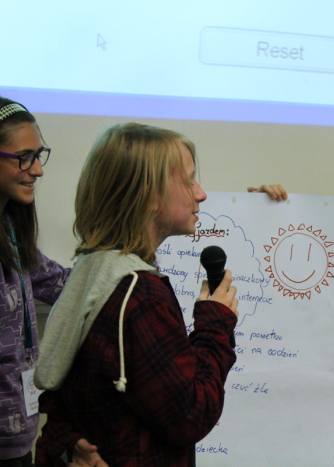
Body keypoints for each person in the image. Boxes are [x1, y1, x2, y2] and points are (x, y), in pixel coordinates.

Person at [33, 123, 239, 466]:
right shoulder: (141, 295)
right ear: (149, 195)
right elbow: (191, 414)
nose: (201, 193)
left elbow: (67, 395)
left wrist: (67, 441)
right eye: (189, 181)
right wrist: (215, 325)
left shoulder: (92, 269)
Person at [0, 97, 70, 466]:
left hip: (17, 439)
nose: (37, 170)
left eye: (38, 155)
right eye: (24, 157)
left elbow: (67, 287)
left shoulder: (12, 233)